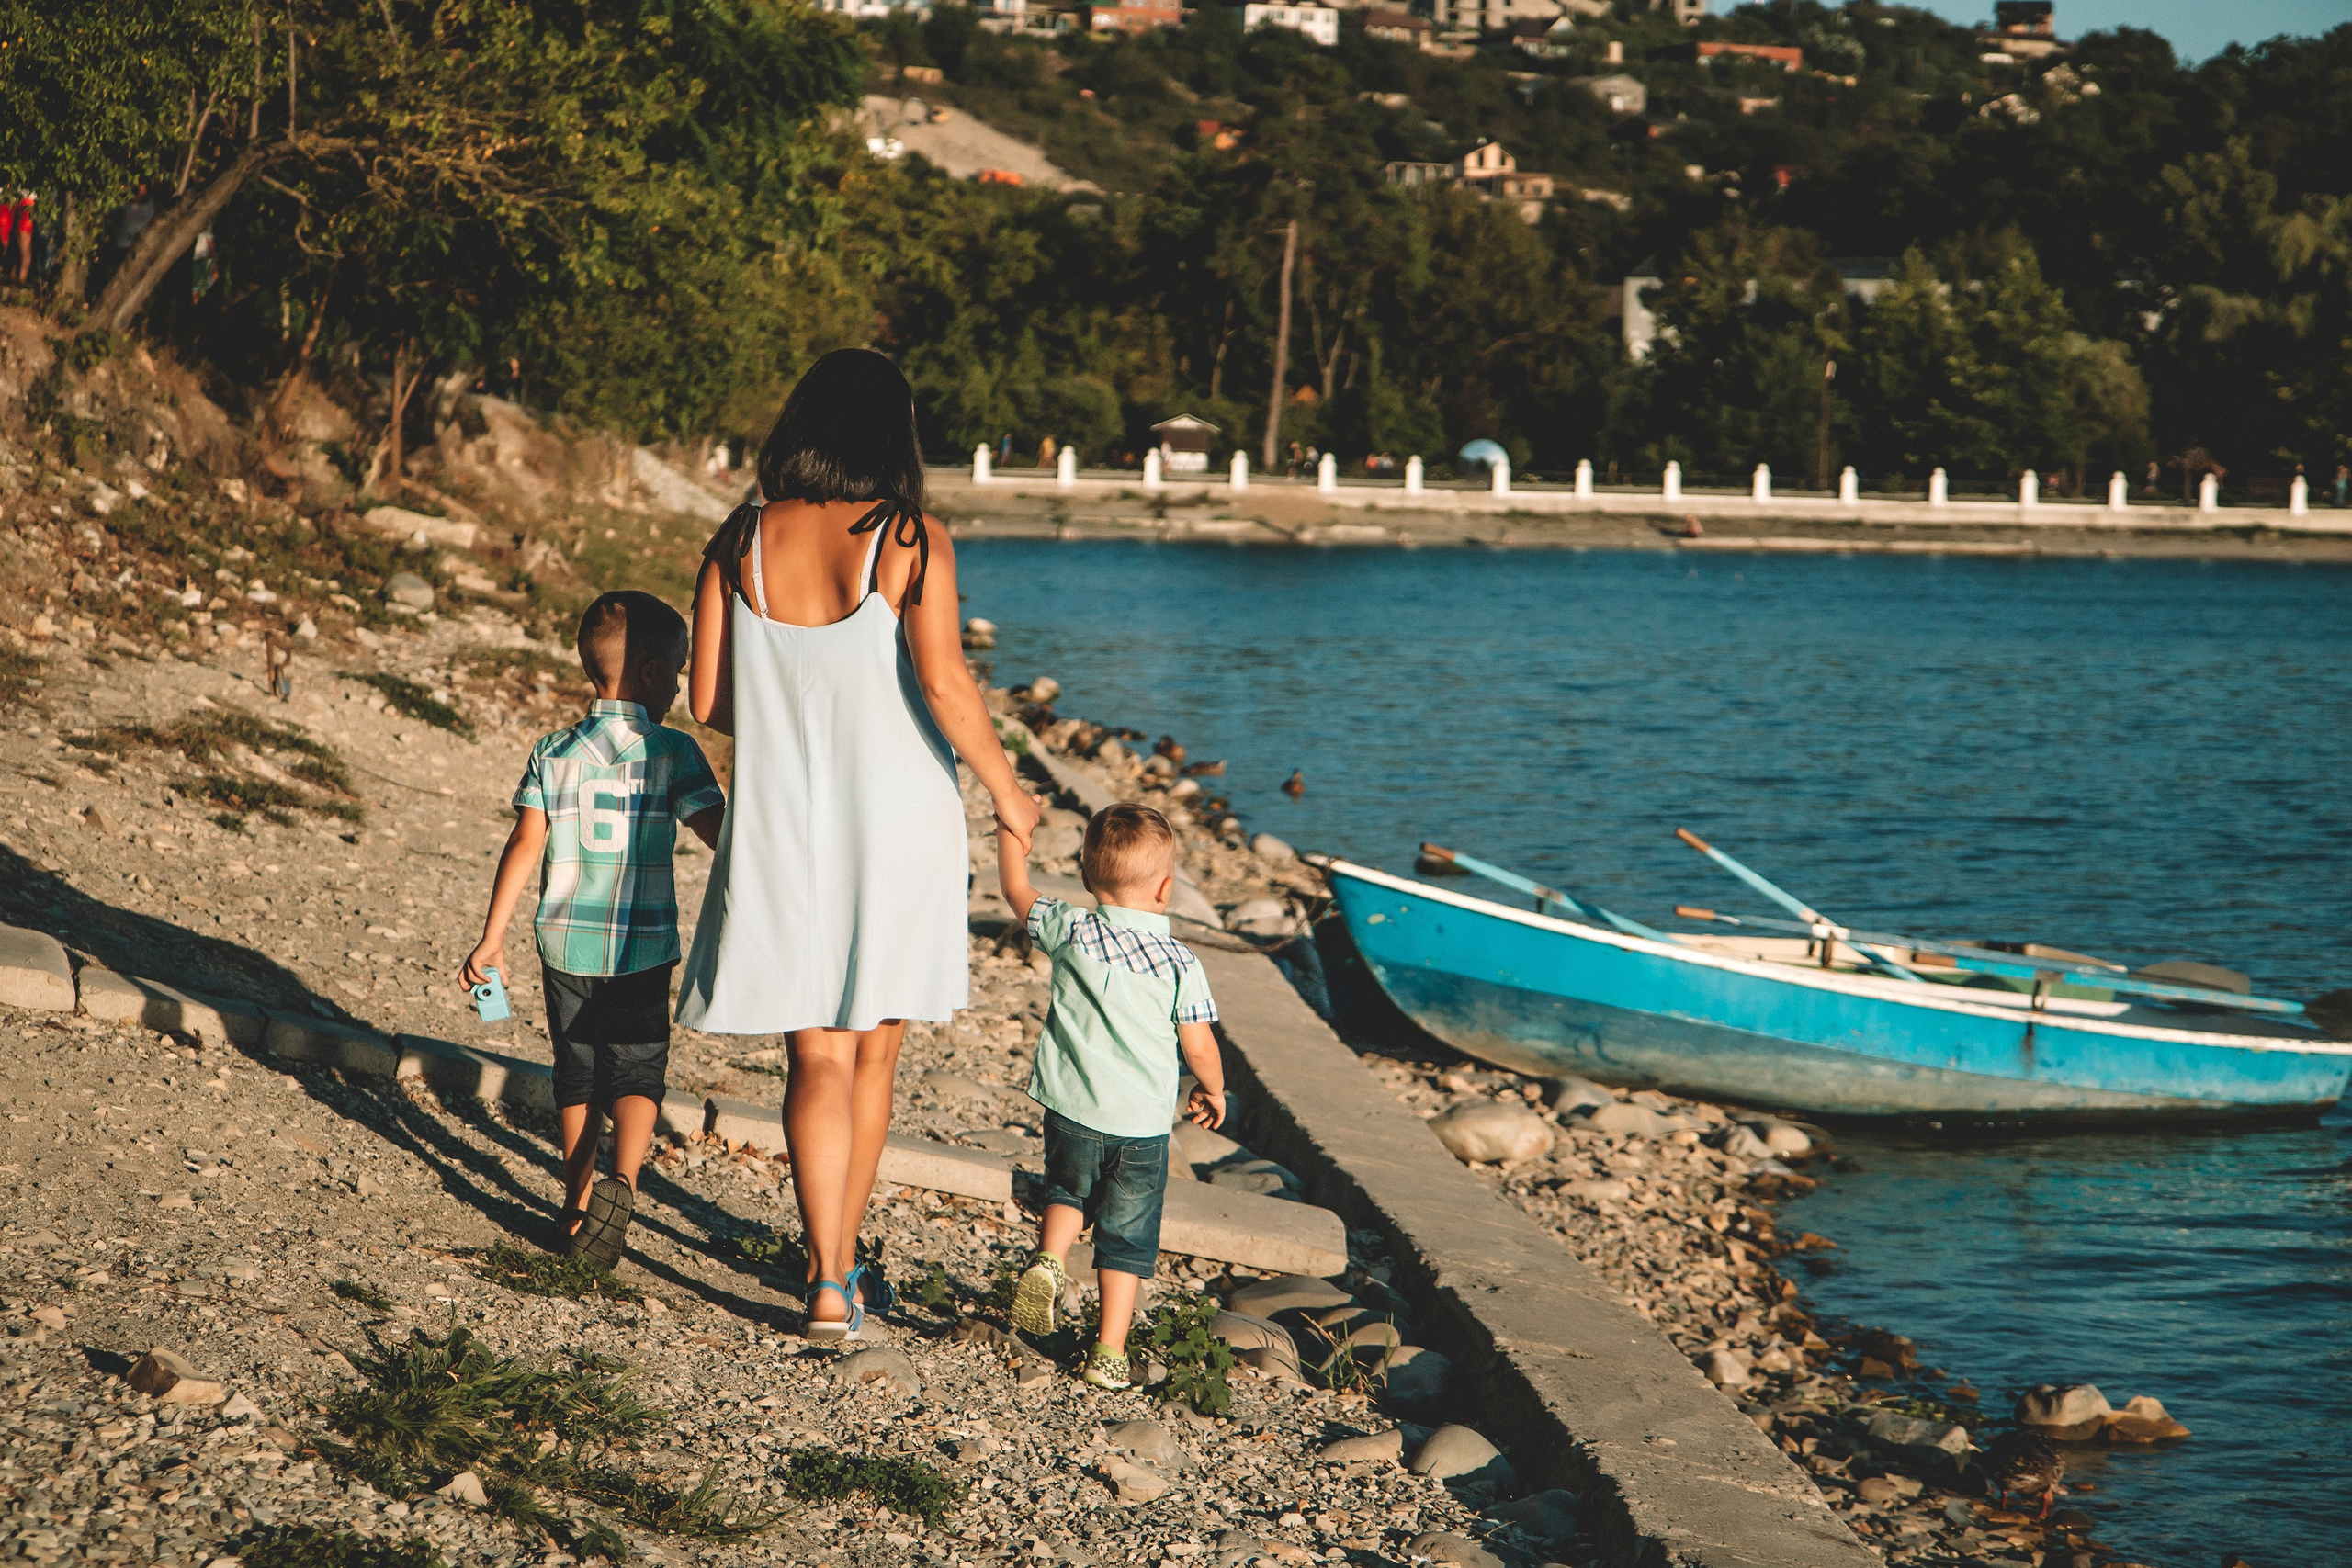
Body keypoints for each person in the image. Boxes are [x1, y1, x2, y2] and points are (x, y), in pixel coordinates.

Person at [678, 349, 1039, 1341]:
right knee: (872, 1061)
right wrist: (1010, 795)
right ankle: (839, 1273)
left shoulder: (739, 538)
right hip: (897, 822)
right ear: (893, 434)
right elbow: (947, 686)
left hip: (783, 820)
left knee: (813, 1059)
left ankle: (826, 1277)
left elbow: (708, 702)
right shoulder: (909, 536)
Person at [462, 592, 725, 1268]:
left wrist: (492, 937)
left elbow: (524, 844)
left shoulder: (553, 750)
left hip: (565, 942)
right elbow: (721, 835)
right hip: (643, 943)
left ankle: (577, 1205)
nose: (677, 685)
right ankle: (625, 1186)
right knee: (637, 1068)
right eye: (675, 672)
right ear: (646, 672)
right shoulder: (675, 752)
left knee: (576, 1075)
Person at [998, 803, 1227, 1390]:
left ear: (1084, 876)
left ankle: (1050, 1260)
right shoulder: (1180, 963)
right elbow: (1198, 1044)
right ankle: (1108, 1352)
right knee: (1125, 1237)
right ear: (1167, 886)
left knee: (1067, 1189)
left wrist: (1012, 830)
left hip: (1074, 1105)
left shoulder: (1070, 927)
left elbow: (1014, 888)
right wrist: (1213, 1087)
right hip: (1142, 1126)